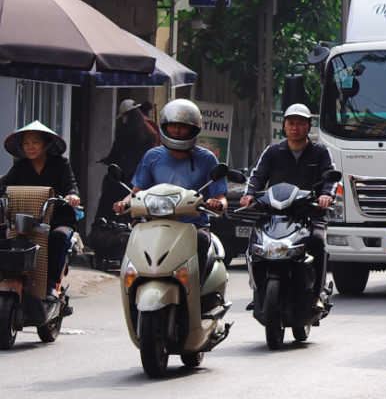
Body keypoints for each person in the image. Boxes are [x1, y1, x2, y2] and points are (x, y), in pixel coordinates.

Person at [113, 99, 226, 279]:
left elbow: (220, 197)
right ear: (165, 127)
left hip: (193, 225)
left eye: (183, 126)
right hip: (154, 223)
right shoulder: (152, 156)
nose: (177, 130)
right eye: (173, 125)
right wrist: (124, 203)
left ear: (194, 129)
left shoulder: (207, 159)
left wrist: (217, 204)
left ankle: (196, 287)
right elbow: (136, 192)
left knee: (202, 239)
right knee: (129, 238)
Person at [239, 103, 335, 304]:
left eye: (300, 123)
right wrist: (249, 195)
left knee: (318, 241)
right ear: (284, 126)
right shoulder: (273, 151)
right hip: (275, 215)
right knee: (255, 242)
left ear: (308, 126)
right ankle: (258, 291)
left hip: (309, 214)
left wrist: (326, 196)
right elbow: (257, 176)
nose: (295, 127)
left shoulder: (320, 152)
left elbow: (331, 177)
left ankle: (317, 294)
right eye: (291, 123)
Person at [0, 121, 82, 299]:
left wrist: (72, 195)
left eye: (35, 142)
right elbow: (4, 184)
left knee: (58, 237)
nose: (30, 147)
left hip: (57, 218)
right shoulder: (20, 166)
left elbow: (71, 186)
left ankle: (51, 284)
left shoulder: (61, 164)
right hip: (26, 219)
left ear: (46, 144)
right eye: (26, 143)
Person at [96, 99, 159, 220]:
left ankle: (104, 221)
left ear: (126, 115)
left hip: (126, 177)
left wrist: (108, 159)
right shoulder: (149, 130)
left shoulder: (124, 130)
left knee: (108, 197)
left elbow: (116, 151)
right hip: (143, 176)